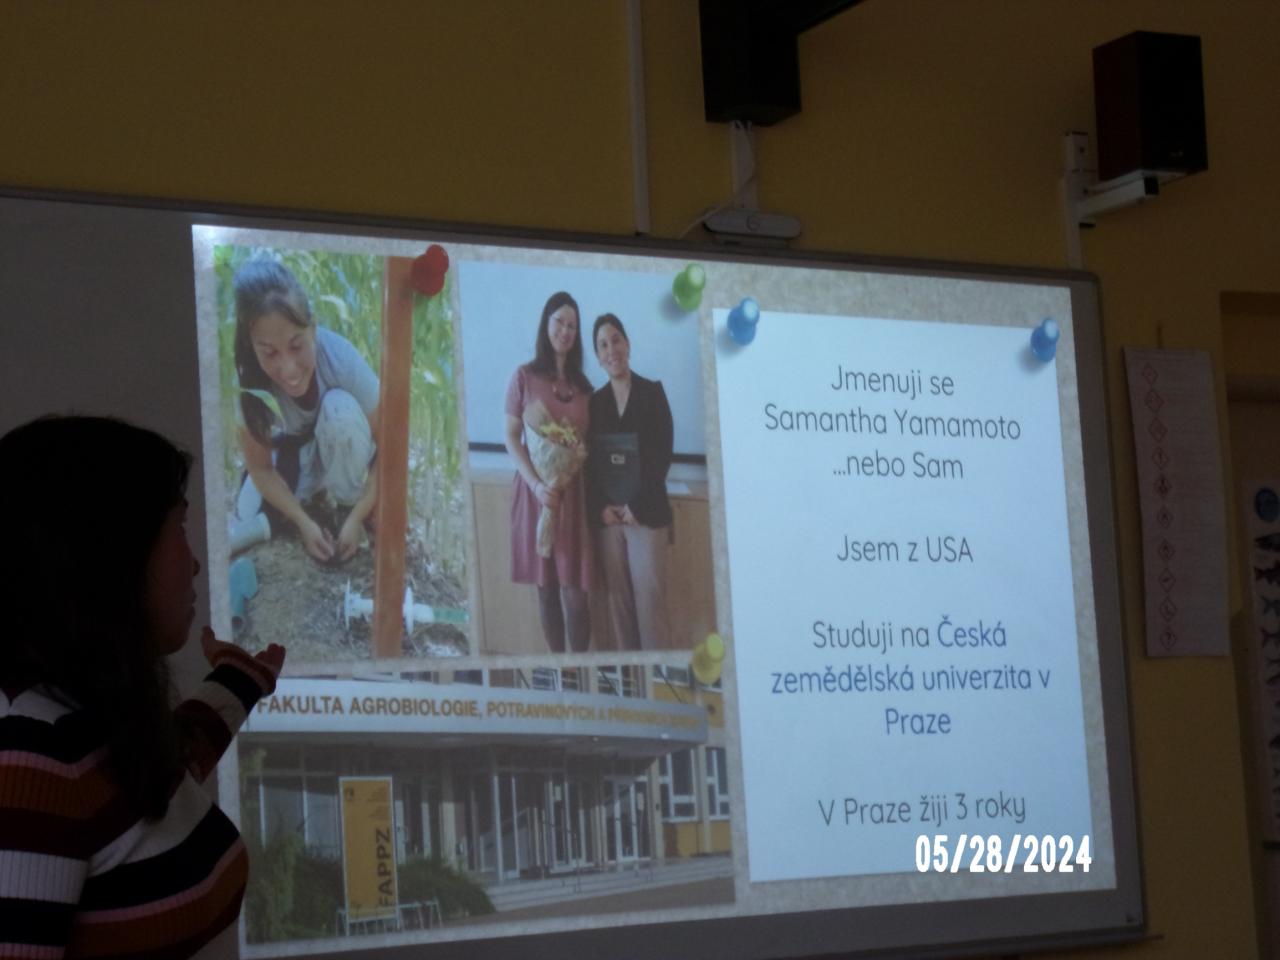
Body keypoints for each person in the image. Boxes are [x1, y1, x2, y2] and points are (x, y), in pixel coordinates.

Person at [0, 414, 285, 958]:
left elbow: (136, 786)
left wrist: (239, 682)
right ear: (109, 553)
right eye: (179, 529)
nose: (196, 563)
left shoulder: (74, 720)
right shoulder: (28, 755)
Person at [232, 258, 380, 564]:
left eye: (296, 346)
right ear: (252, 346)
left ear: (312, 329)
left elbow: (392, 449)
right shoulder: (249, 387)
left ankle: (344, 504)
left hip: (340, 451)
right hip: (295, 457)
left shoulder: (341, 359)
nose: (288, 369)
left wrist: (358, 514)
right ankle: (308, 502)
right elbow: (261, 469)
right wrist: (302, 522)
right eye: (270, 353)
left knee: (339, 410)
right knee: (248, 512)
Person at [504, 292, 594, 653]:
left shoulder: (585, 388)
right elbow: (511, 437)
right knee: (546, 589)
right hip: (535, 495)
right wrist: (538, 485)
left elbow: (586, 444)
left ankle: (580, 665)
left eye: (572, 325)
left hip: (574, 496)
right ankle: (561, 671)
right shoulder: (524, 376)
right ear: (546, 323)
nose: (565, 330)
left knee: (576, 593)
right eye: (559, 321)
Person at [587, 313, 674, 650]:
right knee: (619, 607)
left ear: (628, 344)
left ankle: (656, 675)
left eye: (616, 340)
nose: (611, 350)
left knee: (650, 608)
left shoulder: (653, 393)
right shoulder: (595, 403)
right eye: (603, 345)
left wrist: (637, 505)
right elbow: (590, 465)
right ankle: (632, 678)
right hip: (610, 520)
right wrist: (600, 508)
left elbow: (662, 456)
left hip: (645, 516)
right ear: (598, 356)